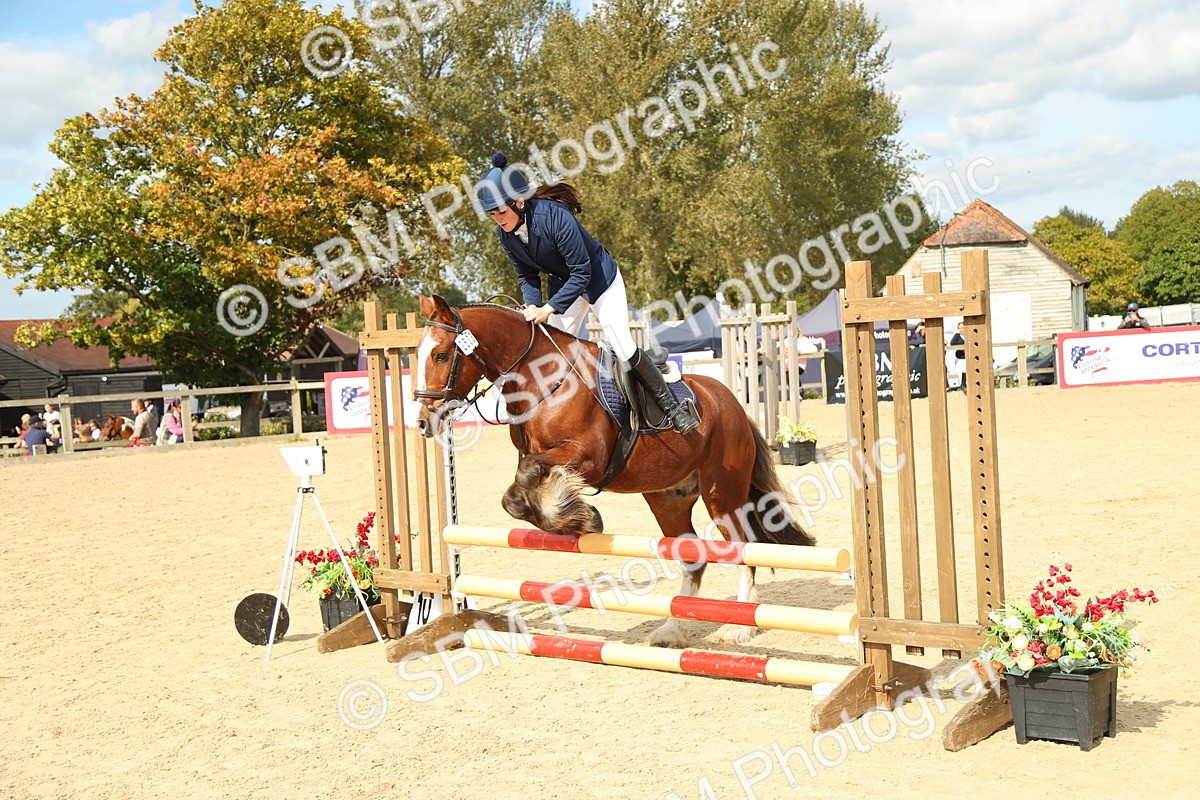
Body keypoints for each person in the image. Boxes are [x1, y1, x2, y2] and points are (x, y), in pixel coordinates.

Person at [476, 153, 699, 433]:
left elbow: (581, 271)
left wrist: (548, 309)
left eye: (501, 212)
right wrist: (532, 308)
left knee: (621, 343)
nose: (498, 220)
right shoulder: (507, 234)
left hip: (599, 280)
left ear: (519, 202)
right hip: (564, 287)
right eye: (493, 214)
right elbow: (527, 275)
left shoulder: (554, 217)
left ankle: (673, 410)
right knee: (550, 351)